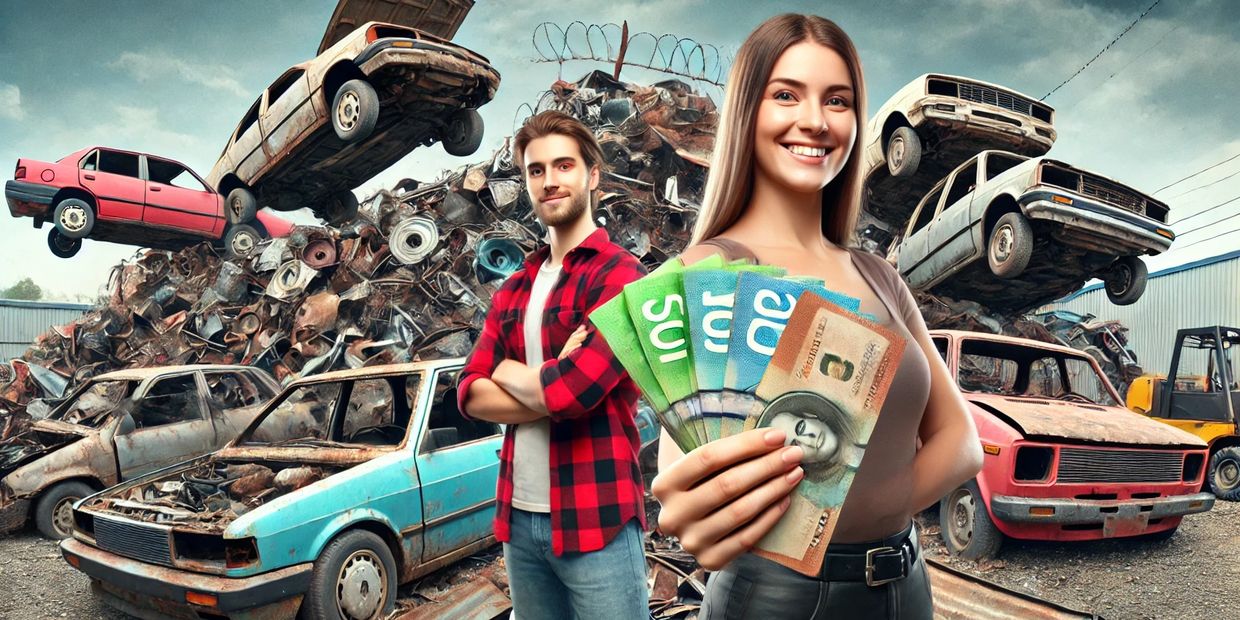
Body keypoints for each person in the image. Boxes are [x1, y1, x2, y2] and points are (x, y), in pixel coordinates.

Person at [650, 14, 984, 619]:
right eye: (786, 95)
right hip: (776, 599)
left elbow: (962, 442)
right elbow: (685, 475)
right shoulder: (707, 273)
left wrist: (861, 517)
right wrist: (697, 508)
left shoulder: (880, 274)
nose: (816, 121)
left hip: (907, 587)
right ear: (746, 113)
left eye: (838, 100)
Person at [456, 110, 650, 619]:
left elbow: (574, 394)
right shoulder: (516, 286)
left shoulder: (621, 276)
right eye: (536, 170)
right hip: (518, 522)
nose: (549, 181)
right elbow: (469, 393)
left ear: (593, 175)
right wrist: (546, 379)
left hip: (598, 516)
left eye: (564, 166)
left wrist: (506, 370)